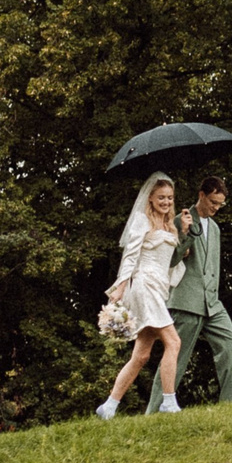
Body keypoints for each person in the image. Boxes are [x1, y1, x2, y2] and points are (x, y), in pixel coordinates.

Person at [147, 175, 232, 411]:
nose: (216, 208)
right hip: (186, 301)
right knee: (176, 358)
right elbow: (169, 260)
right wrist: (184, 233)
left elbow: (213, 268)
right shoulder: (180, 219)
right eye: (213, 202)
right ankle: (154, 412)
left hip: (212, 302)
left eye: (220, 204)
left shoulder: (217, 229)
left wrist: (213, 296)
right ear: (202, 195)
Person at [96, 172, 185, 418]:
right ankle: (168, 402)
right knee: (174, 342)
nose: (166, 202)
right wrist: (121, 286)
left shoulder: (170, 225)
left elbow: (172, 263)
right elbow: (131, 256)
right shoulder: (142, 221)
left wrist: (184, 235)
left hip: (159, 287)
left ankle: (109, 407)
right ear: (151, 199)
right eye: (161, 198)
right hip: (144, 286)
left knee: (142, 355)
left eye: (169, 198)